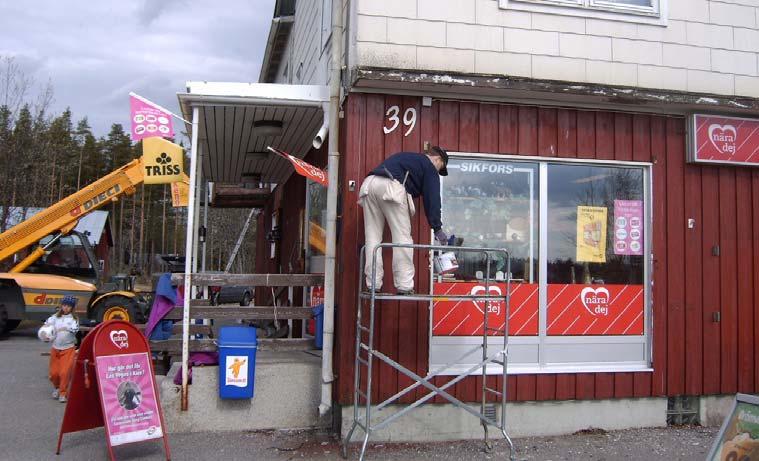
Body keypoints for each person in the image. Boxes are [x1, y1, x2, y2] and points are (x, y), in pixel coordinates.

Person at [358, 146, 449, 294]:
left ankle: (373, 284)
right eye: (441, 168)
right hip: (391, 186)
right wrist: (437, 228)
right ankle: (404, 285)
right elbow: (432, 199)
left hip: (369, 184)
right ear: (438, 159)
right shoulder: (429, 167)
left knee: (372, 238)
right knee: (402, 238)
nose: (438, 171)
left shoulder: (408, 156)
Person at [44, 295, 79, 403]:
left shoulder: (74, 319)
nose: (66, 308)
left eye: (68, 306)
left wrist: (66, 328)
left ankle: (63, 393)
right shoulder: (55, 317)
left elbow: (75, 329)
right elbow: (47, 325)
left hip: (68, 348)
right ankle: (57, 387)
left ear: (72, 308)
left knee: (64, 372)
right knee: (54, 373)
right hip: (55, 348)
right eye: (64, 305)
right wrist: (45, 334)